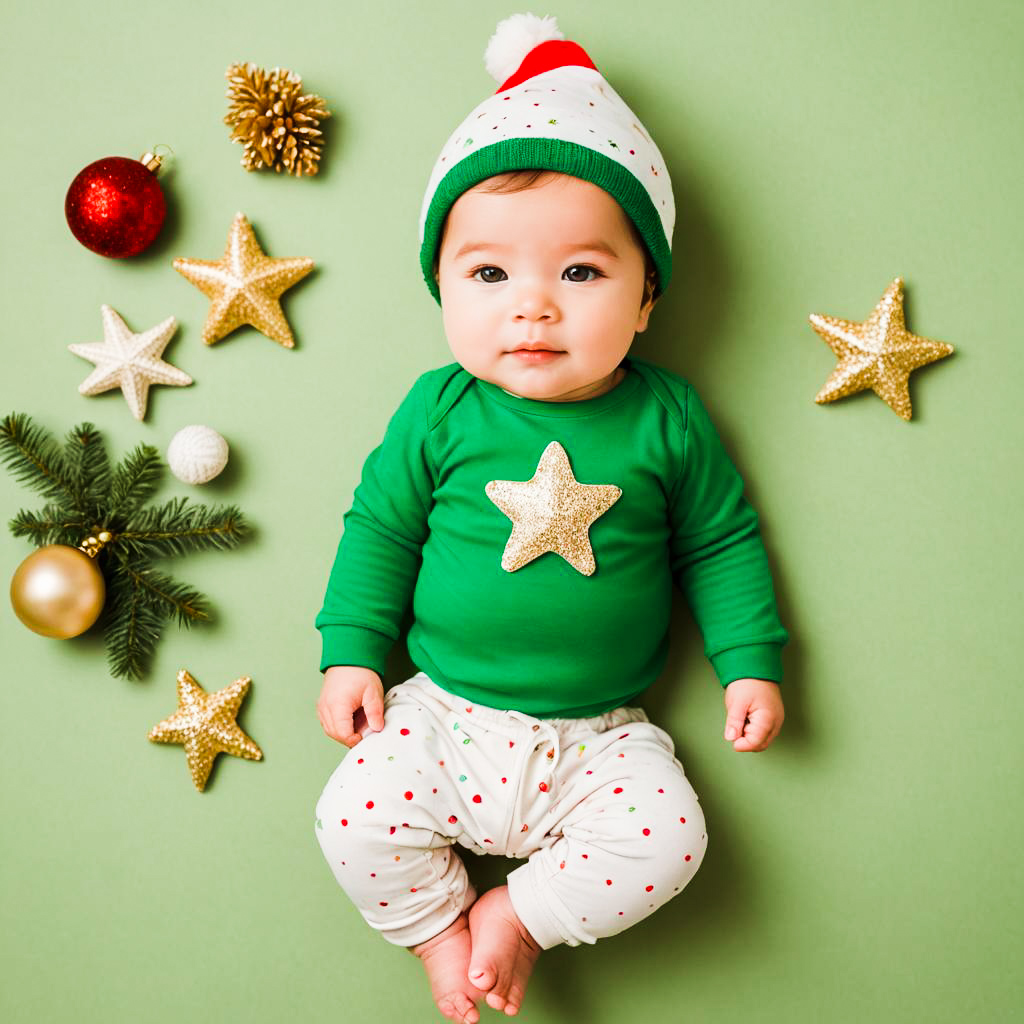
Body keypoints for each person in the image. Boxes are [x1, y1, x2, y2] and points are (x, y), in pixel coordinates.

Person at [313, 14, 788, 1023]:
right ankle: (442, 929)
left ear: (647, 296)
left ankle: (518, 917)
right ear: (440, 284)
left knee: (671, 840)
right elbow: (380, 529)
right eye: (488, 274)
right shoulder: (438, 407)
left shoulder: (666, 417)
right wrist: (352, 650)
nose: (532, 307)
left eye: (579, 272)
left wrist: (749, 661)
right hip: (441, 712)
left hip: (601, 737)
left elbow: (720, 541)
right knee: (350, 820)